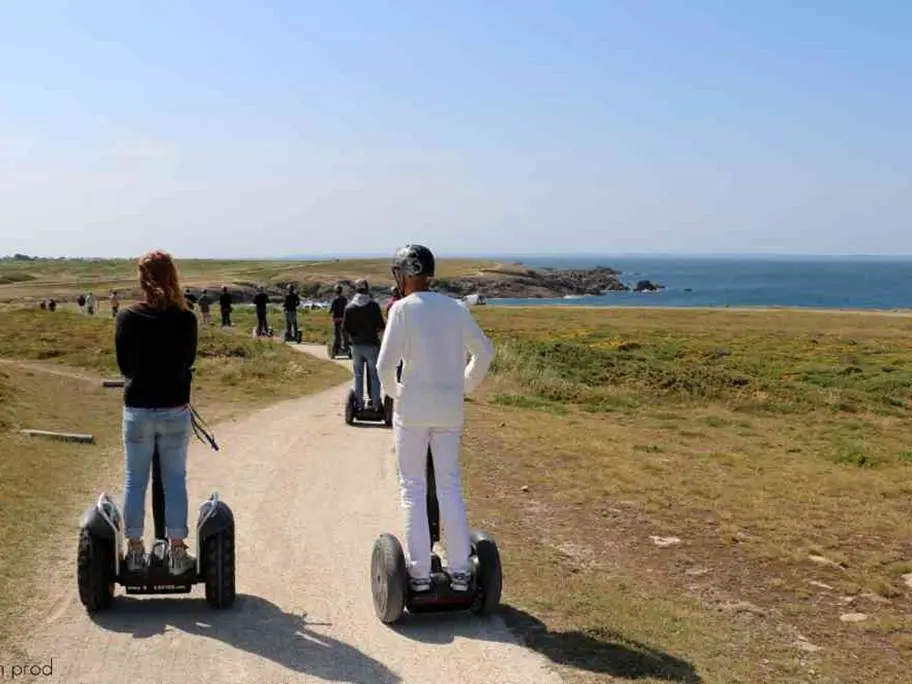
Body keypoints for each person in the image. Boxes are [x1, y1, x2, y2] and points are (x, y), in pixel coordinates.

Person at [377, 244, 494, 593]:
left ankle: (419, 574)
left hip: (412, 411)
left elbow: (385, 366)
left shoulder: (402, 311)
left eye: (399, 272)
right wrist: (463, 385)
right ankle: (460, 572)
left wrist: (398, 394)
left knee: (413, 489)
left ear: (407, 273)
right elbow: (484, 352)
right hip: (449, 409)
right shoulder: (456, 308)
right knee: (449, 487)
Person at [114, 250, 198, 575]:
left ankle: (135, 551)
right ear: (172, 276)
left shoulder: (127, 317)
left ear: (141, 279)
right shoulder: (186, 318)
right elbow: (188, 361)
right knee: (175, 481)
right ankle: (177, 552)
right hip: (174, 409)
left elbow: (125, 367)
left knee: (136, 480)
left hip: (138, 409)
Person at [343, 279, 385, 410]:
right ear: (367, 289)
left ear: (356, 290)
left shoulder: (349, 307)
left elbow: (345, 328)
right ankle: (376, 404)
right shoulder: (374, 306)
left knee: (358, 375)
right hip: (371, 344)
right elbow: (381, 326)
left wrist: (354, 336)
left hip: (356, 345)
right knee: (374, 375)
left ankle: (359, 404)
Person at [329, 285, 349, 353]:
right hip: (343, 318)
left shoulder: (335, 299)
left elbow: (331, 309)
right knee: (344, 333)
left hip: (336, 319)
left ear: (335, 291)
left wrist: (329, 311)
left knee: (337, 334)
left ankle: (336, 347)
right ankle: (346, 347)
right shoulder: (345, 299)